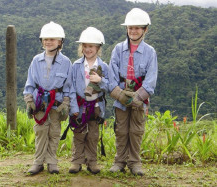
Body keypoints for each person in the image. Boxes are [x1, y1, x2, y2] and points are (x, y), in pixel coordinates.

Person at [108, 8, 158, 176]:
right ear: (126, 29)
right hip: (120, 96)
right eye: (130, 27)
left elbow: (151, 80)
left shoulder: (150, 52)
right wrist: (120, 96)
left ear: (145, 30)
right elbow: (111, 76)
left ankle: (135, 162)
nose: (133, 31)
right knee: (121, 130)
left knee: (136, 131)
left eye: (138, 28)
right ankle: (119, 161)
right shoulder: (118, 49)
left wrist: (137, 98)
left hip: (139, 99)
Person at [23, 21, 74, 175]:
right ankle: (38, 162)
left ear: (60, 42)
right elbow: (30, 82)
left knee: (54, 132)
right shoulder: (36, 60)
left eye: (52, 39)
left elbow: (69, 86)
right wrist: (29, 100)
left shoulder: (66, 62)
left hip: (56, 103)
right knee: (40, 131)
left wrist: (66, 103)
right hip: (40, 102)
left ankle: (52, 161)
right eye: (45, 39)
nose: (48, 42)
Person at [68, 27, 109, 174]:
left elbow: (109, 87)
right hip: (79, 104)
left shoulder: (103, 67)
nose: (87, 49)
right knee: (79, 133)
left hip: (96, 105)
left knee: (93, 135)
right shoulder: (76, 66)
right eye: (84, 46)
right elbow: (71, 87)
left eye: (91, 46)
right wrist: (73, 107)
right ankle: (76, 161)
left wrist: (100, 80)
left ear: (98, 47)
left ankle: (92, 161)